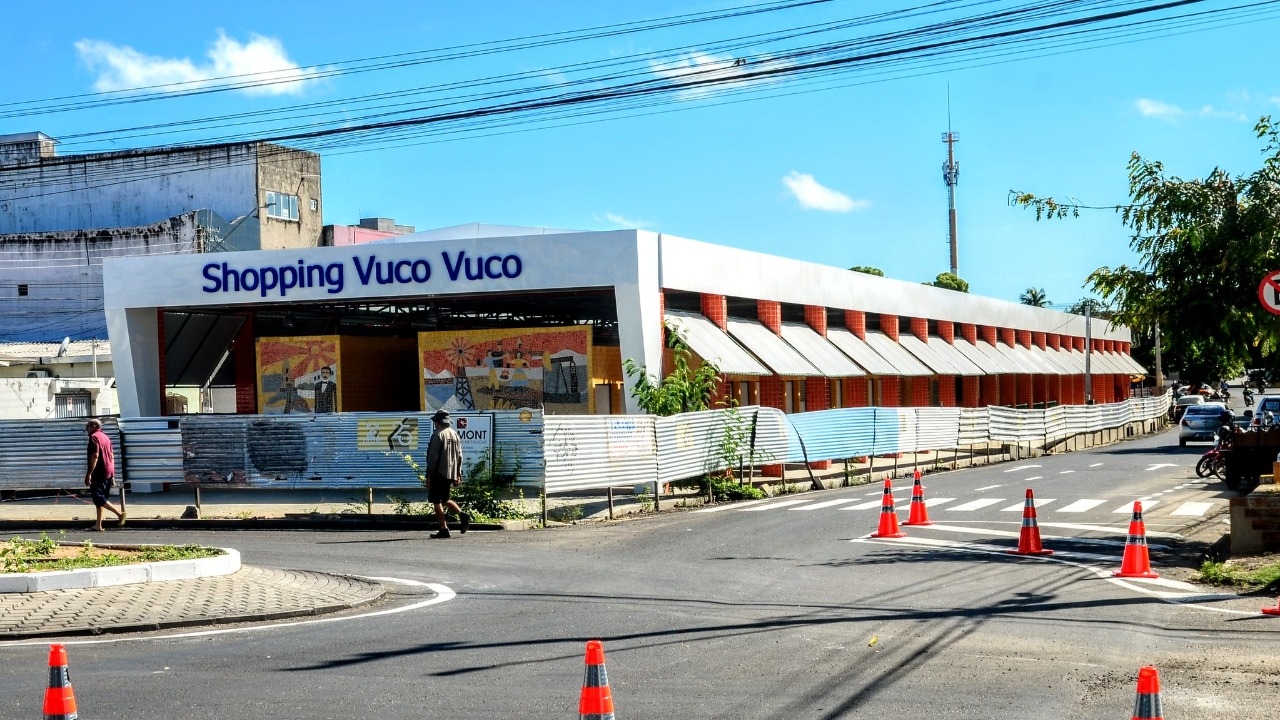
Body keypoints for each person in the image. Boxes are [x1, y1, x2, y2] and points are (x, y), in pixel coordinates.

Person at [424, 410, 470, 539]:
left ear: (437, 422)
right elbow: (460, 455)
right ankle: (462, 515)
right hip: (451, 473)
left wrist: (428, 475)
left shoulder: (437, 434)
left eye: (435, 422)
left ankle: (444, 529)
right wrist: (458, 473)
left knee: (436, 501)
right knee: (444, 499)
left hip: (438, 472)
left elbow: (433, 458)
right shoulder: (454, 434)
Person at [84, 418, 124, 531]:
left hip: (99, 472)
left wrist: (89, 473)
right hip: (108, 471)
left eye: (87, 426)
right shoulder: (106, 438)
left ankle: (120, 514)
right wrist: (113, 474)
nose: (86, 429)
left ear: (93, 426)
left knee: (98, 497)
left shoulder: (94, 438)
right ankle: (98, 525)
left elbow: (95, 456)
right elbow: (111, 456)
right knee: (101, 498)